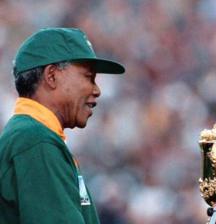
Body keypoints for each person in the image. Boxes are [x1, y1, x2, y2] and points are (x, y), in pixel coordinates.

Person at [0, 28, 125, 224]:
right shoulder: (34, 140)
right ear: (51, 76)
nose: (97, 89)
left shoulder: (34, 135)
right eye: (88, 77)